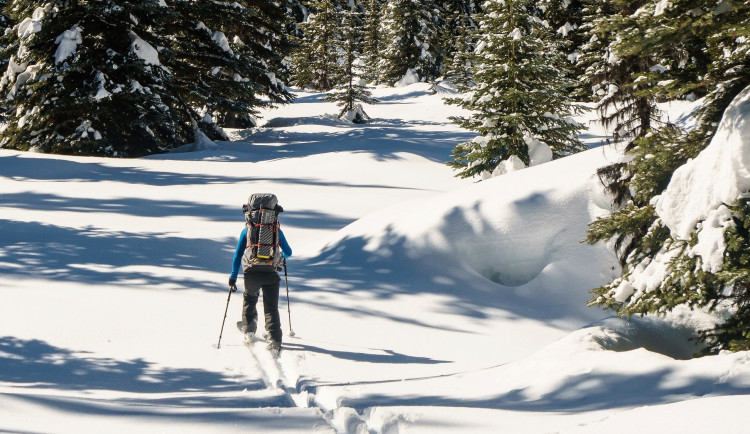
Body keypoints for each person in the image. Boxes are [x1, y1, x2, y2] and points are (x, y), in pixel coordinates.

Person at [229, 212, 292, 353]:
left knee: (250, 299)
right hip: (271, 273)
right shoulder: (276, 231)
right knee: (271, 307)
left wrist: (233, 276)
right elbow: (288, 252)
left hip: (251, 273)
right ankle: (275, 340)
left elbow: (238, 254)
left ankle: (249, 330)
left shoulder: (247, 231)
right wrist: (278, 257)